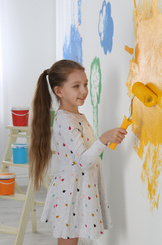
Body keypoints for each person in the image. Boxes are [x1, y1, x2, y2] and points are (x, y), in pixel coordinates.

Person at [29, 59, 127, 245]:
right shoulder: (66, 121)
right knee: (68, 239)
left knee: (72, 238)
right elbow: (83, 160)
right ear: (59, 91)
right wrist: (104, 139)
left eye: (85, 84)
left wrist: (106, 140)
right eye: (76, 86)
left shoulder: (76, 116)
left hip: (81, 188)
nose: (83, 90)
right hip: (71, 193)